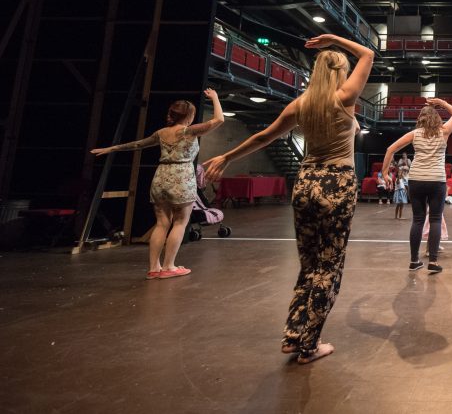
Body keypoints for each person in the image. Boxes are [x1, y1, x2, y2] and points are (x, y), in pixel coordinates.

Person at [202, 33, 374, 364]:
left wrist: (226, 157)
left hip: (306, 182)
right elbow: (368, 53)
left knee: (309, 263)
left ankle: (293, 334)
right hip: (337, 183)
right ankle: (309, 344)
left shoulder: (301, 104)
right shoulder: (345, 98)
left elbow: (264, 137)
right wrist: (333, 39)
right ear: (341, 72)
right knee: (329, 265)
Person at [91, 88, 225, 280]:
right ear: (189, 115)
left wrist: (112, 148)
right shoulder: (189, 131)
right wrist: (215, 98)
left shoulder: (161, 133)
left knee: (161, 223)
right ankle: (169, 266)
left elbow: (137, 144)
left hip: (160, 177)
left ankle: (154, 268)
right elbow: (219, 120)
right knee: (180, 222)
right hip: (181, 178)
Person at [381, 97, 452, 274]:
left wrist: (385, 173)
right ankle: (433, 261)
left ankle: (414, 261)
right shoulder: (444, 131)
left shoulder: (414, 134)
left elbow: (390, 149)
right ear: (436, 118)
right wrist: (441, 102)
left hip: (416, 180)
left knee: (417, 220)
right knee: (435, 220)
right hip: (436, 181)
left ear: (421, 119)